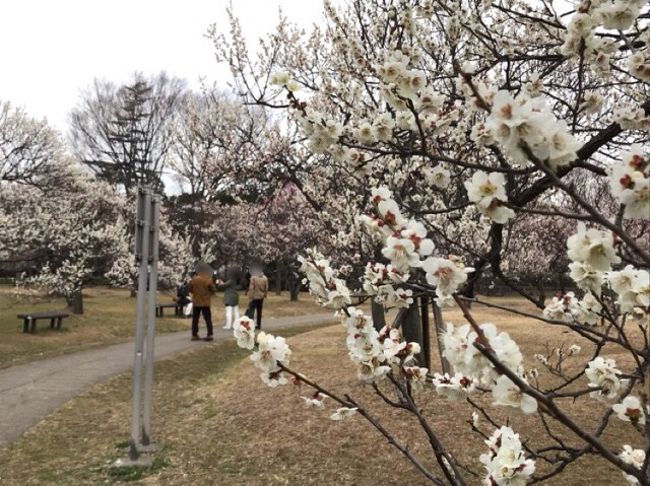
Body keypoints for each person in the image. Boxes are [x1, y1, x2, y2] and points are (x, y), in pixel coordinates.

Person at [188, 262, 216, 341]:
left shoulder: (193, 280)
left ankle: (194, 334)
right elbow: (213, 289)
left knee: (195, 319)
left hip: (196, 302)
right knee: (207, 319)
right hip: (205, 302)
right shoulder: (208, 279)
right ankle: (209, 334)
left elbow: (190, 289)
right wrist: (209, 293)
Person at [246, 264, 268, 330]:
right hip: (261, 297)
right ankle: (259, 324)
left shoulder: (253, 278)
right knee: (259, 311)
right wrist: (265, 294)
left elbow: (251, 288)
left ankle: (251, 325)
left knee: (251, 311)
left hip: (254, 296)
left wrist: (250, 297)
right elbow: (266, 288)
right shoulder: (265, 278)